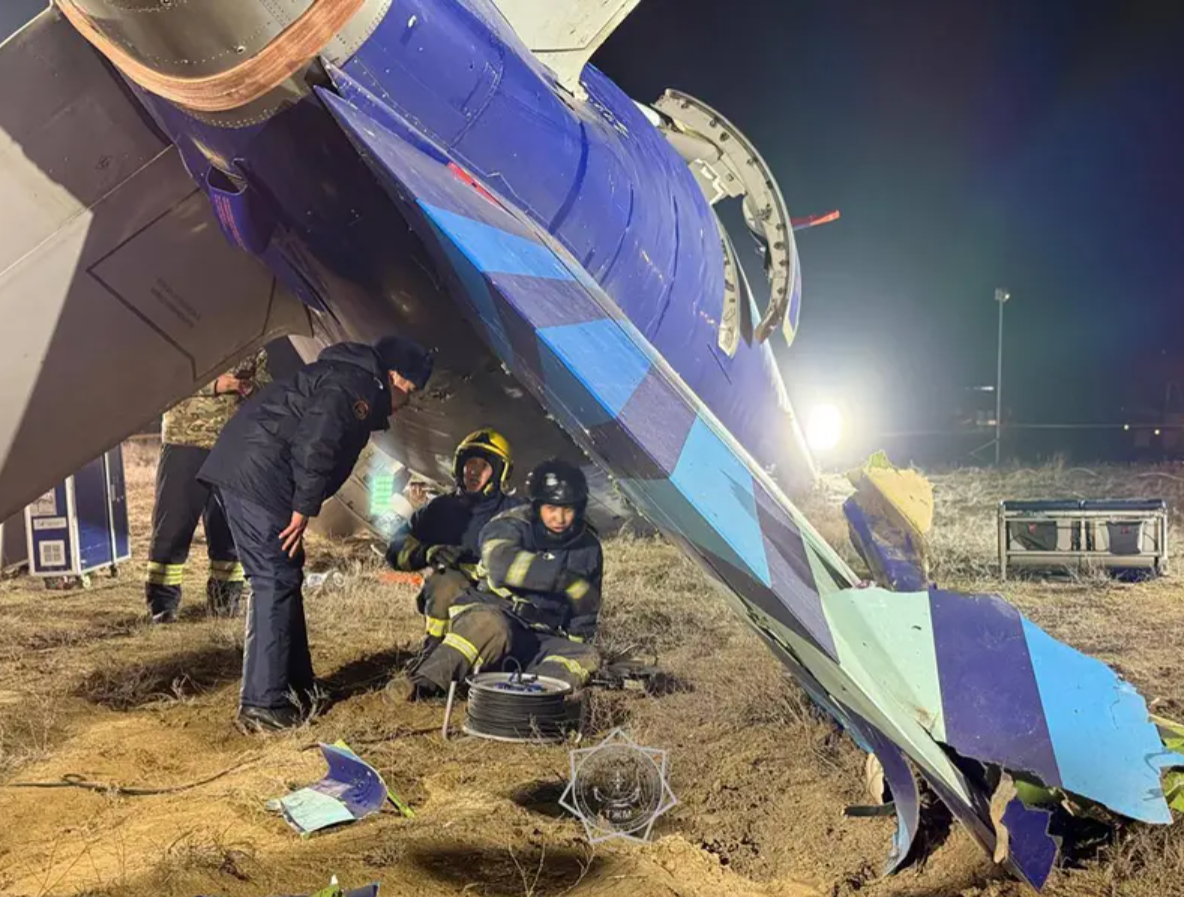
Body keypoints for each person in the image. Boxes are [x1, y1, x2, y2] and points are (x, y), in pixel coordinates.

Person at [198, 336, 433, 733]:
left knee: (286, 573)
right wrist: (303, 508)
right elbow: (317, 442)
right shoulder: (355, 386)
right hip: (258, 477)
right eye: (410, 390)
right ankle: (262, 704)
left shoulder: (349, 378)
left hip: (258, 471)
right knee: (273, 579)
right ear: (394, 376)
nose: (408, 401)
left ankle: (296, 687)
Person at [410, 459, 603, 698]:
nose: (560, 518)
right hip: (495, 614)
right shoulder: (510, 524)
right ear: (537, 505)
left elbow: (585, 610)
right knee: (490, 625)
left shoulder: (589, 547)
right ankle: (422, 684)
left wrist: (578, 640)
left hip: (540, 636)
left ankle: (523, 700)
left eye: (568, 510)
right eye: (551, 509)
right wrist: (563, 579)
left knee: (586, 656)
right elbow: (500, 564)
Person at [146, 350, 270, 624]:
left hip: (232, 445)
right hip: (184, 441)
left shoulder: (253, 341)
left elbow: (266, 383)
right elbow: (164, 376)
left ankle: (225, 602)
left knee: (228, 529)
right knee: (172, 525)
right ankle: (162, 606)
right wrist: (216, 385)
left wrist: (252, 388)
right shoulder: (187, 338)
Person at [386, 428, 523, 651]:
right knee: (444, 583)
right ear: (460, 466)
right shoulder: (440, 509)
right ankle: (434, 649)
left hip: (503, 604)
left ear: (499, 473)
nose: (474, 471)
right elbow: (396, 548)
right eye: (471, 463)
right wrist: (427, 553)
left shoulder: (518, 513)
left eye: (484, 466)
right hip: (452, 597)